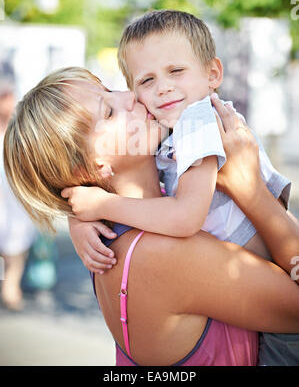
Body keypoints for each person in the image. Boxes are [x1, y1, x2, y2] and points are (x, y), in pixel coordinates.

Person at [3, 67, 299, 366]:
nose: (129, 96)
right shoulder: (163, 252)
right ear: (90, 168)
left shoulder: (114, 226)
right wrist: (250, 190)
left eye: (109, 89)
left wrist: (80, 216)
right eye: (108, 112)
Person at [62, 11, 299, 364]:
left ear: (213, 74)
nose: (163, 87)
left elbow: (185, 216)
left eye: (176, 71)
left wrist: (100, 206)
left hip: (277, 278)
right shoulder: (167, 126)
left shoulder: (199, 121)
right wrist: (78, 220)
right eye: (146, 80)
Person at [0, 78, 37, 310]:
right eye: (6, 97)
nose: (10, 102)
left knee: (17, 244)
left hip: (16, 195)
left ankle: (10, 287)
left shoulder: (20, 129)